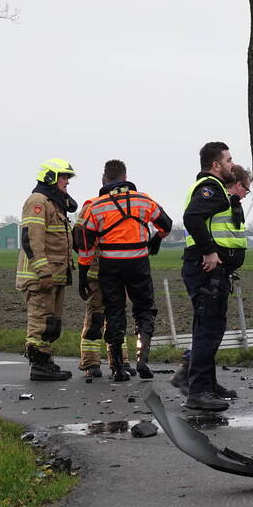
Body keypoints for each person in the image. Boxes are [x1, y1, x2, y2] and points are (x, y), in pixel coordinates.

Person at [73, 160, 172, 381]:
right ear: (126, 178)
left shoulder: (96, 206)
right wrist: (157, 237)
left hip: (109, 266)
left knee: (114, 313)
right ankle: (142, 360)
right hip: (138, 263)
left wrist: (82, 272)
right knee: (144, 309)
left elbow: (84, 243)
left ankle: (117, 367)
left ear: (104, 180)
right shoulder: (143, 200)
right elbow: (166, 222)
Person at [178, 142, 249, 411]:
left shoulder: (213, 189)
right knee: (209, 329)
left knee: (209, 328)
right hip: (206, 270)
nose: (233, 164)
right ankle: (198, 391)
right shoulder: (211, 189)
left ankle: (207, 384)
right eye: (229, 160)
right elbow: (192, 218)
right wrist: (209, 252)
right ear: (216, 164)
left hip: (211, 272)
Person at [15, 158, 79, 381]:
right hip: (41, 276)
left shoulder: (54, 203)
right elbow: (32, 239)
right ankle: (38, 366)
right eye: (63, 177)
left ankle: (46, 361)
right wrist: (43, 272)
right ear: (50, 177)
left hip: (55, 276)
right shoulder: (38, 201)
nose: (67, 182)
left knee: (52, 323)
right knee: (40, 322)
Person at [73, 199, 135, 381]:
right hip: (99, 273)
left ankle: (120, 361)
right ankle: (90, 363)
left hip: (119, 273)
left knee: (118, 319)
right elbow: (78, 237)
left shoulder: (129, 204)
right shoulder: (92, 207)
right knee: (96, 318)